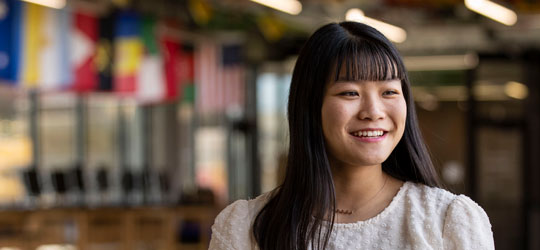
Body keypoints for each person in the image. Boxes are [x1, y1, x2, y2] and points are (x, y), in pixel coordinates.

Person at [209, 21, 494, 250]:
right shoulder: (248, 227)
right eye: (350, 93)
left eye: (389, 92)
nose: (373, 111)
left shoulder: (446, 220)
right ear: (310, 105)